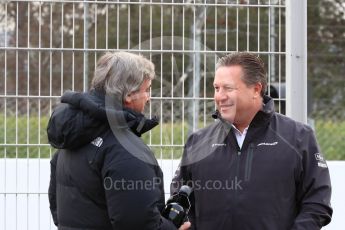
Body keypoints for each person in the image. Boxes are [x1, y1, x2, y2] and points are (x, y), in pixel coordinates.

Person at [171, 52, 332, 230]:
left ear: (256, 89)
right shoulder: (198, 141)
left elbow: (317, 202)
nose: (220, 96)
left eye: (228, 88)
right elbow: (180, 197)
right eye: (217, 88)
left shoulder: (299, 137)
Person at [47, 51, 191, 230]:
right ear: (129, 95)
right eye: (146, 90)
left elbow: (56, 207)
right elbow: (139, 224)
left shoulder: (75, 135)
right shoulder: (124, 149)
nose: (149, 97)